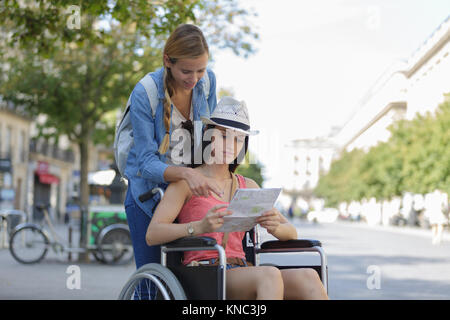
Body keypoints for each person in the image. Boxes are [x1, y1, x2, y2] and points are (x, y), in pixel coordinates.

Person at [146, 97, 329, 300]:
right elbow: (153, 233)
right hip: (204, 272)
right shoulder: (186, 182)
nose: (230, 145)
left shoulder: (248, 186)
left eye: (238, 139)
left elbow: (291, 233)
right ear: (209, 135)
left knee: (309, 276)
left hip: (243, 269)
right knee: (269, 275)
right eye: (224, 136)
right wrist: (199, 227)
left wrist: (275, 227)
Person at [124, 24, 224, 298]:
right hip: (147, 196)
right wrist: (185, 174)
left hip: (186, 196)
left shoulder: (207, 82)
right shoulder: (146, 92)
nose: (194, 78)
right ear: (168, 61)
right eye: (186, 71)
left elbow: (211, 137)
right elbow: (145, 163)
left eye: (200, 70)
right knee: (151, 288)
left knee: (189, 283)